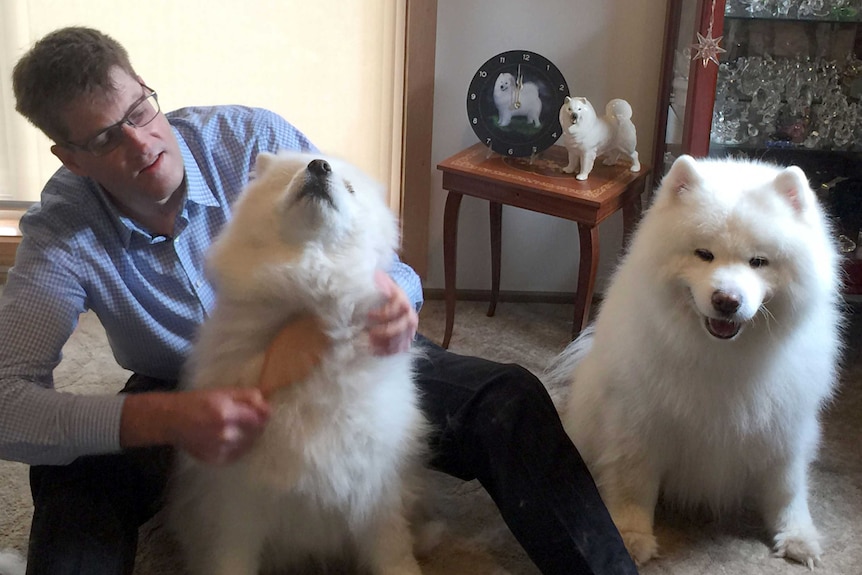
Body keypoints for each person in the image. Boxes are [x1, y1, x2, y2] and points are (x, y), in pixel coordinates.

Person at [0, 26, 638, 575]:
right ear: (69, 159)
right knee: (72, 469)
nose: (142, 144)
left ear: (146, 89)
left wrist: (396, 297)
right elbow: (7, 403)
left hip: (346, 340)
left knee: (508, 399)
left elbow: (361, 231)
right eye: (106, 139)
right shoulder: (62, 234)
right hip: (182, 384)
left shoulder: (251, 139)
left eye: (140, 111)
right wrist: (162, 418)